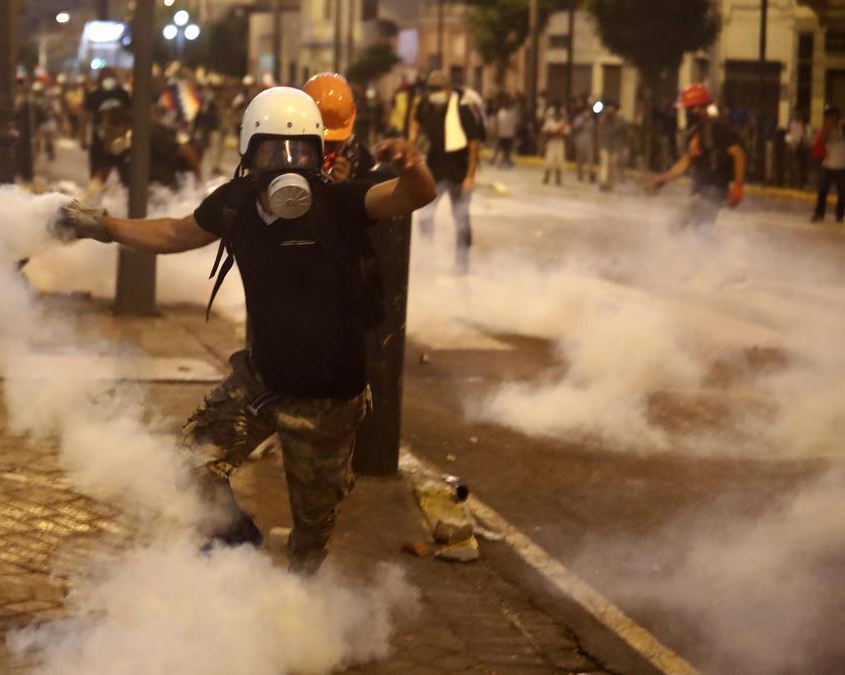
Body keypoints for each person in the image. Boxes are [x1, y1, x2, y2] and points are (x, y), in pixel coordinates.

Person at [49, 87, 436, 574]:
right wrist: (102, 224)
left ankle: (296, 621)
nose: (288, 164)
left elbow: (414, 194)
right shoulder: (236, 203)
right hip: (263, 380)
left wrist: (411, 163)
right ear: (250, 153)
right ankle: (234, 544)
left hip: (329, 398)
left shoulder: (341, 202)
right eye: (274, 151)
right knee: (190, 461)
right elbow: (172, 233)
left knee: (311, 534)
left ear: (319, 154)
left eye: (301, 152)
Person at [410, 70, 485, 271]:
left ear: (448, 89)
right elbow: (416, 124)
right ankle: (428, 259)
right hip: (435, 168)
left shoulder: (462, 109)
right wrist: (410, 146)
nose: (435, 93)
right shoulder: (426, 105)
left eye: (438, 89)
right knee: (425, 215)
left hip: (459, 171)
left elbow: (473, 144)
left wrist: (470, 175)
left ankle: (462, 264)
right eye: (432, 89)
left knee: (461, 218)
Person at [646, 83, 746, 230]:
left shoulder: (716, 128)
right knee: (699, 230)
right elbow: (686, 161)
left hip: (713, 190)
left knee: (677, 226)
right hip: (701, 190)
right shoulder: (696, 132)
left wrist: (738, 186)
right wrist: (663, 180)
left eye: (688, 108)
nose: (686, 112)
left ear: (698, 108)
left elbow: (738, 154)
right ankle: (719, 252)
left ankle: (723, 252)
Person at [303, 72, 374, 183]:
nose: (325, 150)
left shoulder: (362, 161)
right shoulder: (286, 153)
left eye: (332, 144)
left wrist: (345, 188)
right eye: (319, 141)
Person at [810, 105, 845, 223]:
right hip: (828, 165)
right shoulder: (825, 129)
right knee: (822, 191)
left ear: (838, 116)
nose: (832, 118)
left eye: (833, 116)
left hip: (843, 166)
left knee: (842, 193)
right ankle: (819, 213)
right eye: (829, 116)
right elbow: (821, 141)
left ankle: (839, 215)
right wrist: (827, 128)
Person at [598, 102, 625, 191]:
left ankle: (610, 183)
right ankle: (603, 182)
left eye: (612, 108)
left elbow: (621, 128)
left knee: (612, 166)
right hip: (604, 145)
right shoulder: (603, 118)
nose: (610, 110)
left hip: (615, 147)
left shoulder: (620, 119)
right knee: (604, 165)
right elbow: (599, 129)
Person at [540, 105, 568, 186]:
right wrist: (552, 134)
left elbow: (566, 133)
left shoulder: (563, 122)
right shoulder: (549, 121)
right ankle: (546, 177)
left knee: (560, 161)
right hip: (551, 143)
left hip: (560, 143)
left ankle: (558, 178)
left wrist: (560, 133)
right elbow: (545, 132)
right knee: (549, 160)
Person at [572, 102, 595, 183]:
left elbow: (594, 132)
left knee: (590, 159)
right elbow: (575, 129)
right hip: (579, 142)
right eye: (586, 112)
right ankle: (579, 174)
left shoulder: (592, 121)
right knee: (580, 160)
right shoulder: (578, 119)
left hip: (589, 142)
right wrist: (583, 122)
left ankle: (591, 174)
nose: (587, 114)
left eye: (588, 112)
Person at [786, 109, 809, 189]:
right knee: (791, 165)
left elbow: (804, 134)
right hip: (791, 146)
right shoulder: (791, 123)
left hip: (800, 146)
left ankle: (800, 183)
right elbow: (788, 133)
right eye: (795, 113)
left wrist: (801, 143)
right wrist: (789, 144)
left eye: (798, 113)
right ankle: (792, 182)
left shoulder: (803, 123)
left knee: (800, 165)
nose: (796, 114)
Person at [494, 99, 517, 167]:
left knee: (508, 150)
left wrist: (514, 133)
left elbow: (515, 124)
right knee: (500, 149)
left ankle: (507, 161)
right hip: (501, 134)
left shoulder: (512, 113)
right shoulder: (500, 112)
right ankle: (497, 161)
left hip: (509, 134)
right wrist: (496, 132)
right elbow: (497, 123)